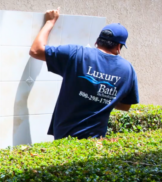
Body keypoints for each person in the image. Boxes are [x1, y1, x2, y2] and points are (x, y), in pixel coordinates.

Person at [30, 8, 139, 140]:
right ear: (118, 47)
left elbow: (35, 51)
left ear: (97, 41)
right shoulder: (128, 70)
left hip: (64, 136)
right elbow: (125, 106)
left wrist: (50, 22)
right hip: (95, 141)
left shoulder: (76, 54)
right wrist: (102, 96)